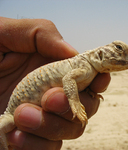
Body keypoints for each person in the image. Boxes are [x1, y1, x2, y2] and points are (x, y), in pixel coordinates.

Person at [0, 17, 110, 150]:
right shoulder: (84, 65)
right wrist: (75, 104)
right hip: (12, 112)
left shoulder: (92, 72)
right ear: (100, 54)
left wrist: (88, 91)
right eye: (118, 49)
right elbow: (68, 79)